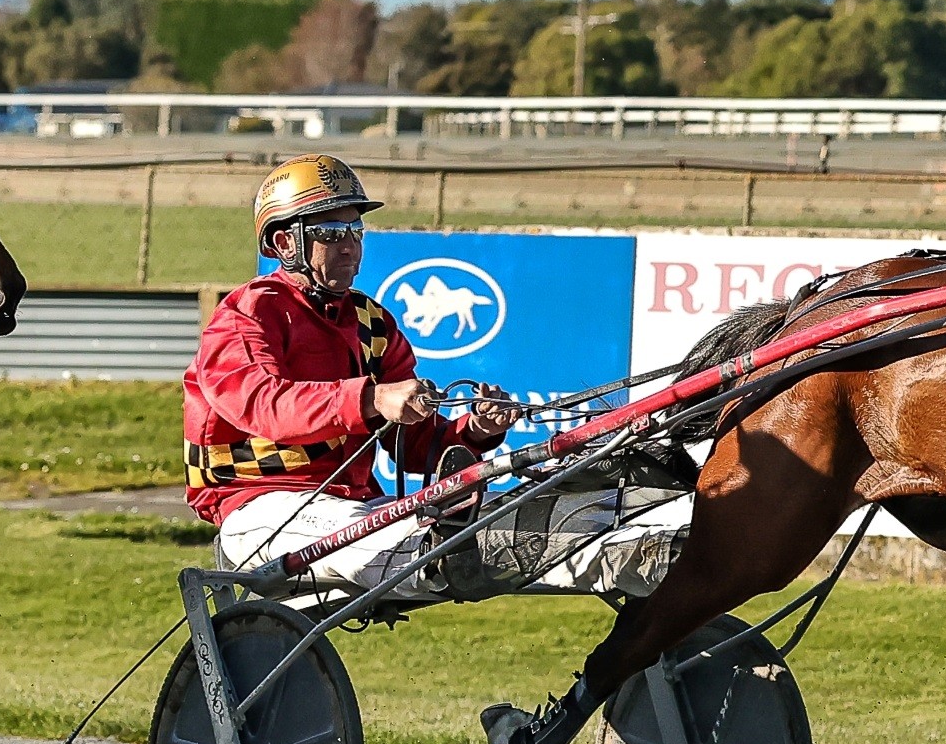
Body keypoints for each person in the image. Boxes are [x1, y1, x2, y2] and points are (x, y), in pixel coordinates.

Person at [183, 154, 677, 606]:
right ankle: (453, 542)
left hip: (351, 508)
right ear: (285, 242)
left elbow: (413, 446)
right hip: (258, 510)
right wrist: (373, 398)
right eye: (331, 231)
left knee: (481, 527)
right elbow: (263, 404)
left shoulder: (371, 323)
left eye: (355, 228)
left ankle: (649, 546)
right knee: (429, 541)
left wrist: (474, 432)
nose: (350, 244)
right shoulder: (247, 314)